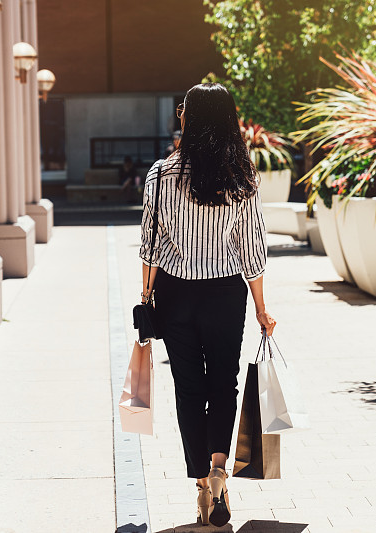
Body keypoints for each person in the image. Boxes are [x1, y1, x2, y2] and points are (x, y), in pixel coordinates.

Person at [139, 83, 277, 527]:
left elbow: (150, 246)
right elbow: (252, 247)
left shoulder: (161, 174)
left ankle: (200, 485)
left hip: (176, 296)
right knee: (224, 384)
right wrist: (260, 307)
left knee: (188, 389)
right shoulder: (241, 176)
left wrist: (146, 297)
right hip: (225, 295)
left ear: (188, 119)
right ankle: (220, 470)